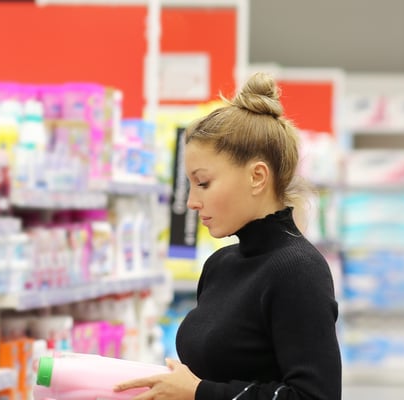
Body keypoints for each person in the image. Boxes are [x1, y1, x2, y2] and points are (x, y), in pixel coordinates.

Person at [115, 73, 341, 399]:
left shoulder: (298, 271)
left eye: (203, 183)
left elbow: (314, 396)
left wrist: (199, 392)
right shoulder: (220, 265)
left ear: (257, 177)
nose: (192, 201)